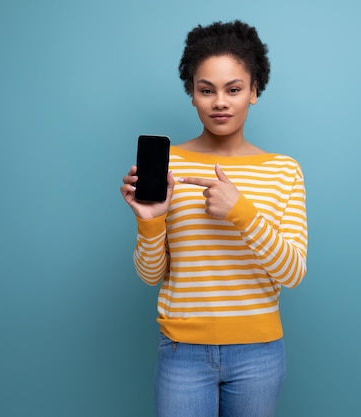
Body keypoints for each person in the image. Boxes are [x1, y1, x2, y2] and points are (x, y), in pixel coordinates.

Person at [120, 20, 308, 417]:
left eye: (233, 89)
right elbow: (151, 275)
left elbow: (292, 273)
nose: (220, 101)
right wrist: (150, 221)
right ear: (192, 94)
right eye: (206, 90)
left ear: (254, 91)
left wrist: (241, 211)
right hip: (182, 352)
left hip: (259, 355)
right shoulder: (170, 166)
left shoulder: (284, 170)